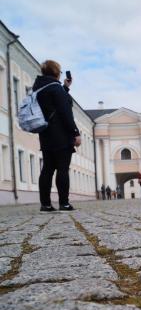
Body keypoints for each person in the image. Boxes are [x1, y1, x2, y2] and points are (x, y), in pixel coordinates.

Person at [35, 60, 81, 212]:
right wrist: (75, 132)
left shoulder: (39, 87)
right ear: (56, 73)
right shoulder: (55, 88)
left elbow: (53, 104)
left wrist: (65, 88)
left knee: (47, 169)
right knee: (62, 168)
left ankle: (45, 204)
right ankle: (64, 203)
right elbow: (65, 112)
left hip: (45, 133)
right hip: (60, 135)